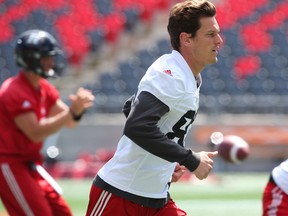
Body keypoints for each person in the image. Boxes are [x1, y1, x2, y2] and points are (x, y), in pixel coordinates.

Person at [86, 0, 222, 215]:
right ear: (186, 39)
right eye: (210, 34)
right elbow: (137, 126)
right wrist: (190, 158)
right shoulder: (170, 74)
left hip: (156, 197)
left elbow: (132, 108)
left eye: (217, 33)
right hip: (121, 195)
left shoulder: (188, 75)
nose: (219, 40)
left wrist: (169, 161)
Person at [0, 29, 95, 216]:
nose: (51, 62)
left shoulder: (43, 87)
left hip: (31, 163)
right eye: (46, 58)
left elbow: (70, 122)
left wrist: (76, 111)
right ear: (31, 59)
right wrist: (71, 113)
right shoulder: (13, 90)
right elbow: (35, 132)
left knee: (62, 212)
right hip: (10, 163)